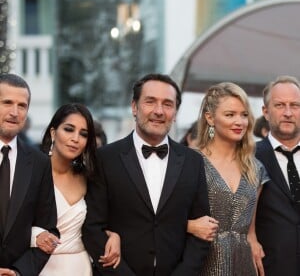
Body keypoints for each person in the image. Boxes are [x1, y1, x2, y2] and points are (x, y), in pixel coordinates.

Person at [82, 73, 211, 276]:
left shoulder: (193, 162)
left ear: (175, 112)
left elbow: (203, 230)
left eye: (168, 104)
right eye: (150, 102)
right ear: (134, 107)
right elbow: (92, 227)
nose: (159, 111)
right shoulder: (105, 158)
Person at [187, 82, 269, 276]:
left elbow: (250, 231)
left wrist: (254, 242)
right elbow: (164, 218)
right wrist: (189, 226)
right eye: (230, 115)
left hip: (243, 265)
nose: (239, 122)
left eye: (244, 115)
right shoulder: (191, 161)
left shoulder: (255, 168)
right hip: (200, 262)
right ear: (210, 118)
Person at [31, 103, 121, 275]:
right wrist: (36, 236)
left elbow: (96, 223)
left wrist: (114, 235)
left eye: (83, 134)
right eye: (69, 129)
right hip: (39, 266)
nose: (75, 138)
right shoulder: (32, 173)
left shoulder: (89, 178)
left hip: (80, 266)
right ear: (53, 132)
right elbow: (12, 223)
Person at [0, 73, 58, 276]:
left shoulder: (40, 162)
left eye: (22, 105)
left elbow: (49, 229)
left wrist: (18, 272)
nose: (14, 112)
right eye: (7, 103)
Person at [255, 75, 300, 276]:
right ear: (265, 111)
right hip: (270, 269)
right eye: (280, 105)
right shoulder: (248, 156)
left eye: (295, 105)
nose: (288, 113)